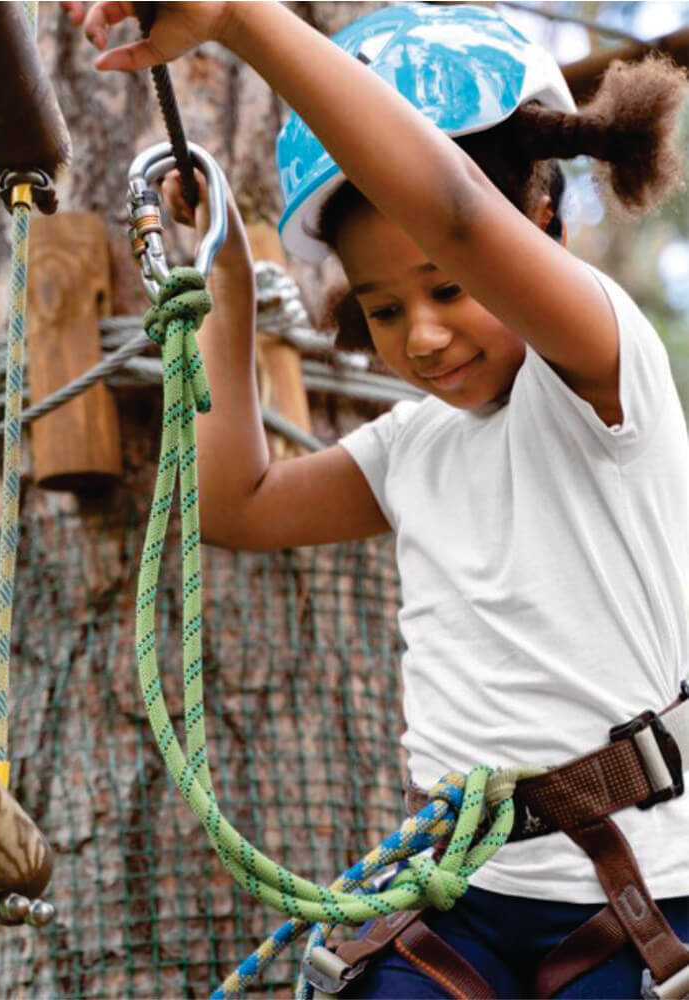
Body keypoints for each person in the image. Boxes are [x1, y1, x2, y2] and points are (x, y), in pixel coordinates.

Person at [64, 2, 689, 996]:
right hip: (459, 902)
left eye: (448, 288)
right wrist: (225, 270)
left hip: (632, 899)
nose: (423, 336)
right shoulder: (414, 449)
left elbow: (452, 207)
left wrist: (241, 21)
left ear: (541, 229)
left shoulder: (604, 378)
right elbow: (240, 502)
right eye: (384, 307)